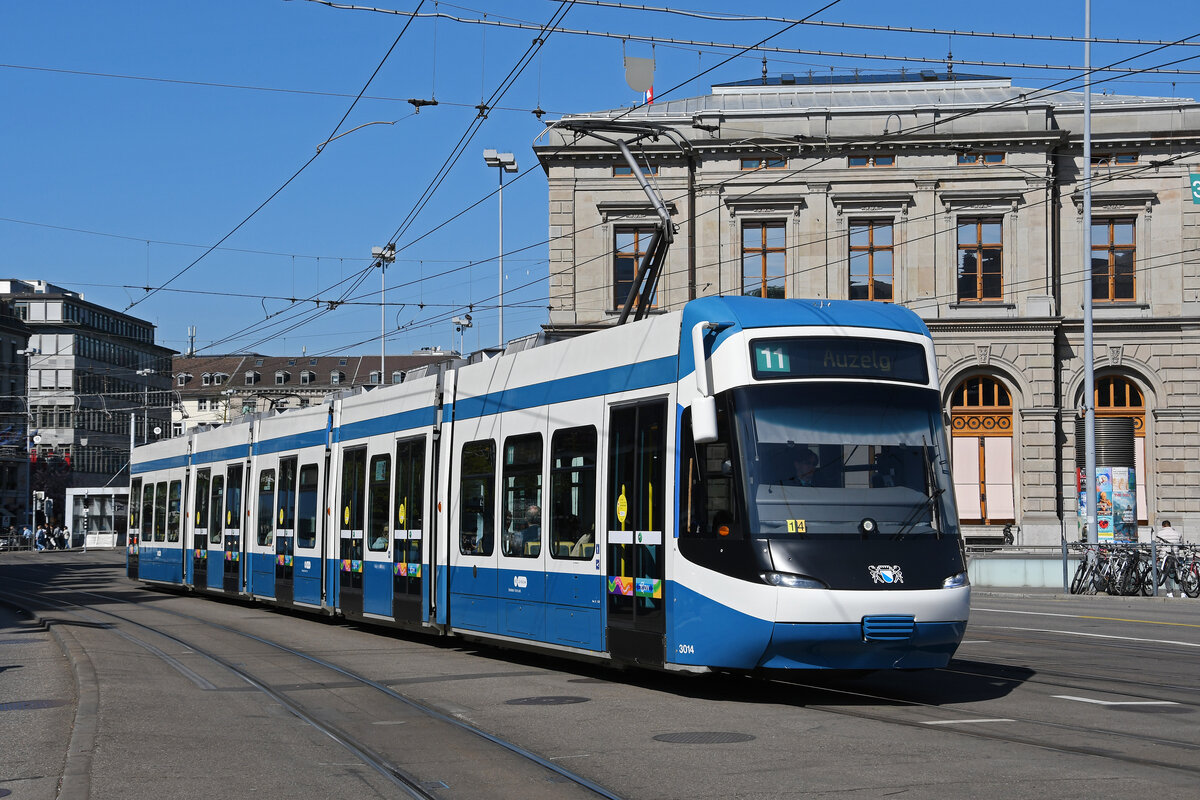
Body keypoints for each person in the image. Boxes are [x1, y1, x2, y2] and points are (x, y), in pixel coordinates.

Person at [1156, 520, 1183, 597]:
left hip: (1164, 557)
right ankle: (1183, 592)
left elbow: (1157, 547)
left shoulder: (1159, 534)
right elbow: (1181, 544)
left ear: (1163, 526)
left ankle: (1169, 592)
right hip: (1175, 557)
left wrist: (1157, 556)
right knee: (1178, 574)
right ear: (1170, 525)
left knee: (1165, 574)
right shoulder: (1177, 533)